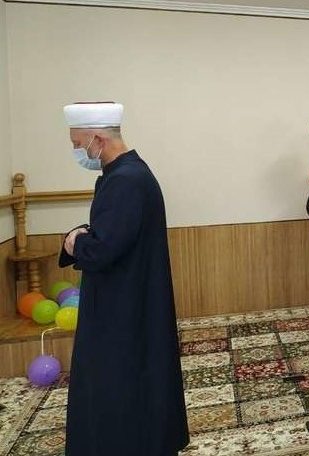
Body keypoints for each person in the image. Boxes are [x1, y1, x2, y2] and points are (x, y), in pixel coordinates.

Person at [60, 102, 189, 456]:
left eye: (77, 144)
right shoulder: (127, 174)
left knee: (118, 384)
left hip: (122, 306)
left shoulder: (125, 181)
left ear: (98, 139)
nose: (77, 152)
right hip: (130, 297)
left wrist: (74, 241)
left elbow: (104, 249)